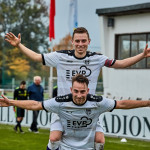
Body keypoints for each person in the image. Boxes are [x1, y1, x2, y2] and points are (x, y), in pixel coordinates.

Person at [4, 27, 150, 150]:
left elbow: (121, 64)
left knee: (100, 140)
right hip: (63, 107)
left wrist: (142, 55)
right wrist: (19, 45)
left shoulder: (97, 59)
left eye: (84, 41)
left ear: (89, 42)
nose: (81, 44)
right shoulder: (60, 56)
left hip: (89, 107)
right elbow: (36, 57)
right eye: (78, 41)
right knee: (54, 138)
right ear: (72, 42)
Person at [1, 74, 150, 150]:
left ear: (88, 90)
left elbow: (122, 103)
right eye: (76, 91)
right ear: (71, 90)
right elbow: (35, 104)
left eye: (83, 92)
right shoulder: (61, 102)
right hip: (62, 120)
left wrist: (148, 102)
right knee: (53, 139)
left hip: (92, 121)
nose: (79, 95)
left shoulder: (97, 102)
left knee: (100, 141)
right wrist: (10, 102)